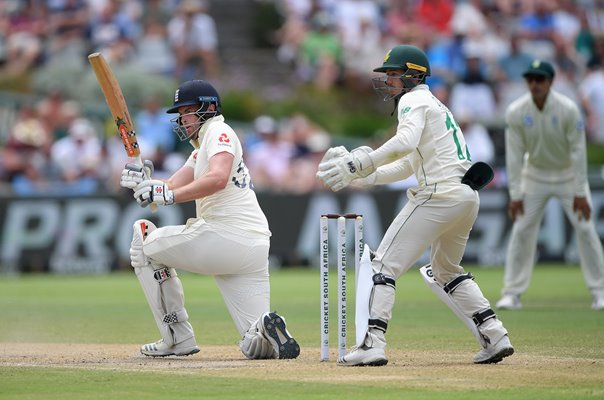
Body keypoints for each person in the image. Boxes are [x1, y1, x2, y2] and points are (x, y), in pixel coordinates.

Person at [316, 44, 514, 366]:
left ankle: (372, 344)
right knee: (446, 271)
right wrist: (367, 177)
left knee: (382, 266)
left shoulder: (414, 99)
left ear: (414, 75)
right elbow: (409, 163)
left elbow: (404, 143)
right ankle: (495, 335)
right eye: (388, 75)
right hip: (465, 198)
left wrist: (361, 161)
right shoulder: (436, 106)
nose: (389, 81)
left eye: (395, 74)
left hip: (439, 195)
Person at [119, 80, 300, 359]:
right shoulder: (200, 148)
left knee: (144, 241)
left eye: (188, 110)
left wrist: (165, 194)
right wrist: (142, 184)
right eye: (180, 113)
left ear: (210, 107)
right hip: (252, 247)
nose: (182, 118)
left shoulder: (218, 130)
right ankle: (267, 327)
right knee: (255, 345)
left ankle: (177, 337)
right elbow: (167, 186)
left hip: (226, 235)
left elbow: (216, 178)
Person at [497, 60, 604, 311]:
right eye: (530, 80)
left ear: (550, 82)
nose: (534, 84)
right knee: (522, 229)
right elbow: (514, 156)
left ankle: (600, 291)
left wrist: (579, 191)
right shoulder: (516, 111)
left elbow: (578, 152)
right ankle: (511, 293)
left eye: (540, 79)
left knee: (586, 229)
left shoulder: (568, 109)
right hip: (534, 176)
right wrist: (515, 194)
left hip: (568, 175)